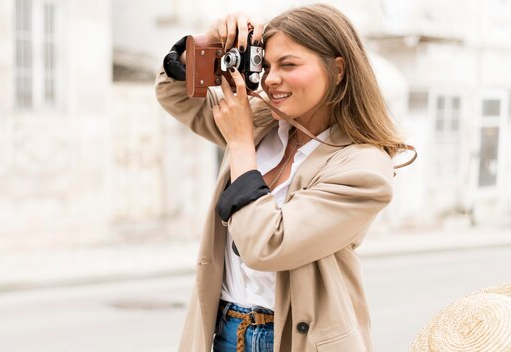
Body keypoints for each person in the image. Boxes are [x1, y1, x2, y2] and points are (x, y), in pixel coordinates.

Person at [156, 4, 408, 351]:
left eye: (288, 64)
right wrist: (208, 41)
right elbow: (175, 94)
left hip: (295, 339)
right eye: (267, 65)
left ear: (337, 69)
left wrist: (240, 141)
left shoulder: (363, 169)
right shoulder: (262, 123)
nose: (271, 79)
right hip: (226, 329)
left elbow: (266, 246)